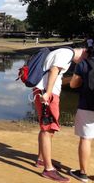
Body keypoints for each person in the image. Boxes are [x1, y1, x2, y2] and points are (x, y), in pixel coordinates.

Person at [33, 47, 88, 182]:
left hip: (44, 90)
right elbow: (54, 70)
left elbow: (57, 74)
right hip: (47, 93)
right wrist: (48, 93)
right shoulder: (66, 54)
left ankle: (41, 159)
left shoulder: (63, 53)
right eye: (85, 59)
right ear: (84, 51)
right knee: (48, 129)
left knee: (45, 129)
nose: (83, 62)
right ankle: (48, 169)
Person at [68, 52, 94, 182]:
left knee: (86, 139)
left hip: (87, 106)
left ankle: (83, 173)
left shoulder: (83, 64)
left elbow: (73, 84)